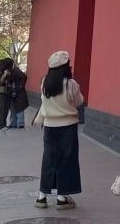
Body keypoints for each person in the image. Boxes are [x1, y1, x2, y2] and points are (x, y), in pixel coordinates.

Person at [34, 50, 84, 210]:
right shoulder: (71, 84)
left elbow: (43, 102)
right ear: (65, 66)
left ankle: (41, 197)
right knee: (66, 161)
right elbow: (79, 101)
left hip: (49, 127)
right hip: (68, 126)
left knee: (49, 160)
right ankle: (62, 198)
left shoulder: (44, 82)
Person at [7, 64, 29, 128]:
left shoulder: (17, 74)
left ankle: (19, 123)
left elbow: (24, 77)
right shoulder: (13, 74)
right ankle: (15, 123)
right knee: (14, 109)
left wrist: (21, 86)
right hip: (14, 93)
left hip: (19, 94)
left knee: (19, 109)